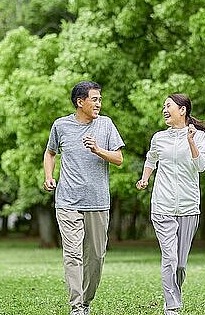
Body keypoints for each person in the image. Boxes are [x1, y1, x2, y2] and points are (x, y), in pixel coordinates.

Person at [43, 81, 125, 315]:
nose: (99, 103)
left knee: (96, 257)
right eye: (95, 99)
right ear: (80, 102)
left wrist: (98, 150)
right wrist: (49, 176)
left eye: (100, 99)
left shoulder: (106, 125)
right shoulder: (61, 126)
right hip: (67, 201)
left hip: (98, 202)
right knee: (73, 254)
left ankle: (87, 301)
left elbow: (119, 159)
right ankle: (77, 307)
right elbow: (50, 152)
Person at [135, 93, 205, 315]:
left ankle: (174, 297)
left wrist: (190, 141)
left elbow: (201, 166)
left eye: (168, 105)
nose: (164, 110)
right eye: (163, 106)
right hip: (163, 205)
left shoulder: (197, 136)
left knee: (180, 264)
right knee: (169, 257)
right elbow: (151, 159)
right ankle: (172, 306)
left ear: (182, 110)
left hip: (189, 206)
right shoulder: (159, 138)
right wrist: (145, 178)